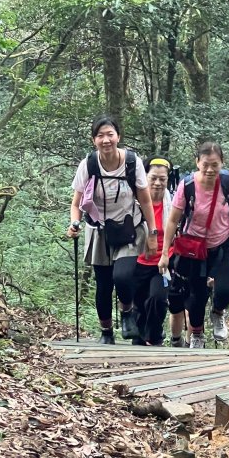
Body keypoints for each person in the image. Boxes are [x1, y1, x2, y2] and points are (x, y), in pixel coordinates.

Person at [67, 115, 157, 344]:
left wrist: (153, 232)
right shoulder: (88, 165)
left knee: (123, 276)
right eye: (100, 136)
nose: (106, 140)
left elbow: (145, 200)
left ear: (118, 136)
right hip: (99, 230)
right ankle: (106, 332)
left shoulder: (132, 162)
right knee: (104, 284)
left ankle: (127, 311)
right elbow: (76, 203)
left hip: (129, 228)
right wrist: (74, 223)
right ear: (93, 140)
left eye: (110, 134)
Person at [159, 141, 229, 349]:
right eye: (205, 164)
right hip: (194, 248)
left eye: (215, 165)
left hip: (223, 243)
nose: (210, 169)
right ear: (197, 162)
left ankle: (218, 311)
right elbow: (173, 220)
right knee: (196, 297)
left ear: (222, 163)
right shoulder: (187, 186)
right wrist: (165, 253)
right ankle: (197, 334)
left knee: (225, 291)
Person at [132, 157, 174, 346]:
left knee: (158, 299)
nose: (158, 183)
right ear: (145, 178)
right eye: (153, 178)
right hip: (138, 261)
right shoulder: (135, 201)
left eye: (162, 179)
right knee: (139, 303)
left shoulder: (173, 203)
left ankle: (155, 337)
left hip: (162, 261)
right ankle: (139, 338)